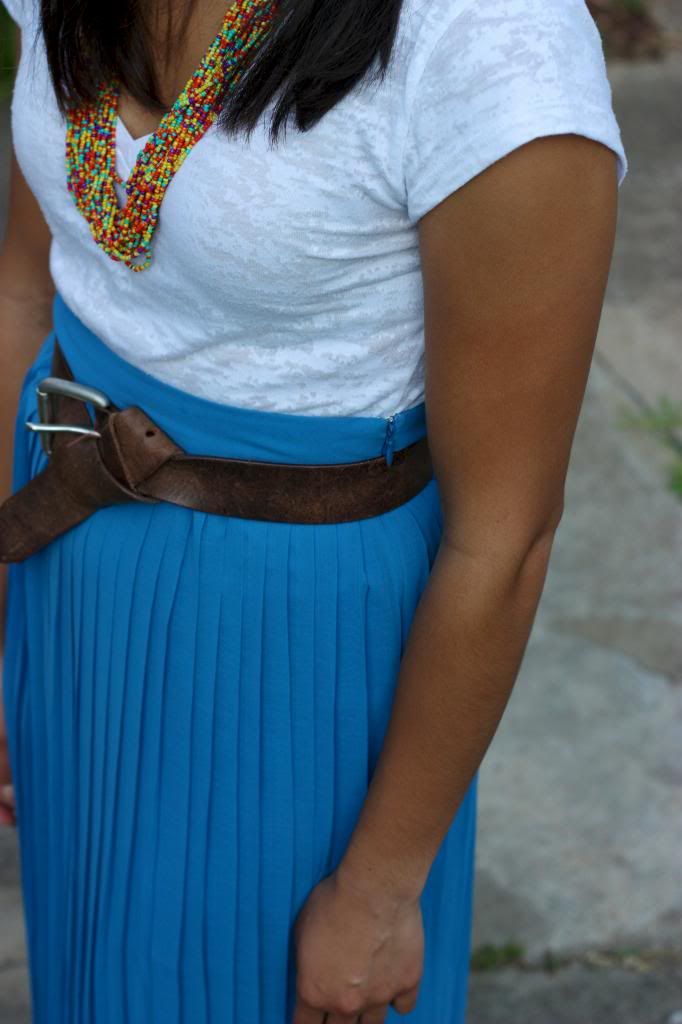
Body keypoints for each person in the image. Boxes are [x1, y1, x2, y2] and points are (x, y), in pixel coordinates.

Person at [0, 0, 627, 1021]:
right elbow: (26, 292)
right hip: (65, 564)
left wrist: (379, 892)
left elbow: (504, 536)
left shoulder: (488, 42)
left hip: (289, 646)